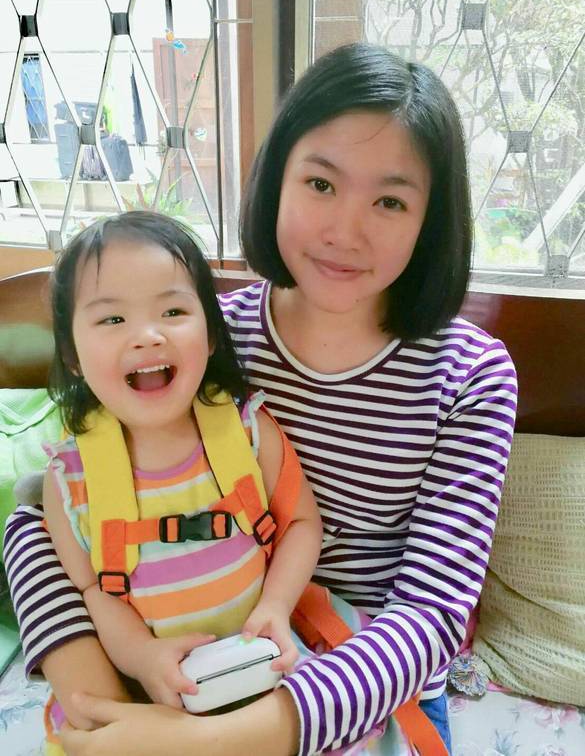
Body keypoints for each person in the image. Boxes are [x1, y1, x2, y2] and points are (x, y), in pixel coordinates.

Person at [4, 43, 517, 756]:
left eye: (390, 201)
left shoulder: (471, 375)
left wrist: (217, 739)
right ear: (276, 180)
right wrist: (103, 697)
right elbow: (49, 512)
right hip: (177, 658)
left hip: (360, 676)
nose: (344, 232)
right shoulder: (202, 342)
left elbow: (431, 615)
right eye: (320, 183)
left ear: (430, 221)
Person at [34, 210, 323, 744]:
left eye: (172, 311)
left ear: (210, 334)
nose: (147, 336)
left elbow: (304, 523)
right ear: (72, 355)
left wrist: (276, 606)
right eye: (112, 319)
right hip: (156, 694)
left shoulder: (247, 428)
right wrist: (143, 658)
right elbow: (93, 591)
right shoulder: (68, 481)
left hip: (266, 662)